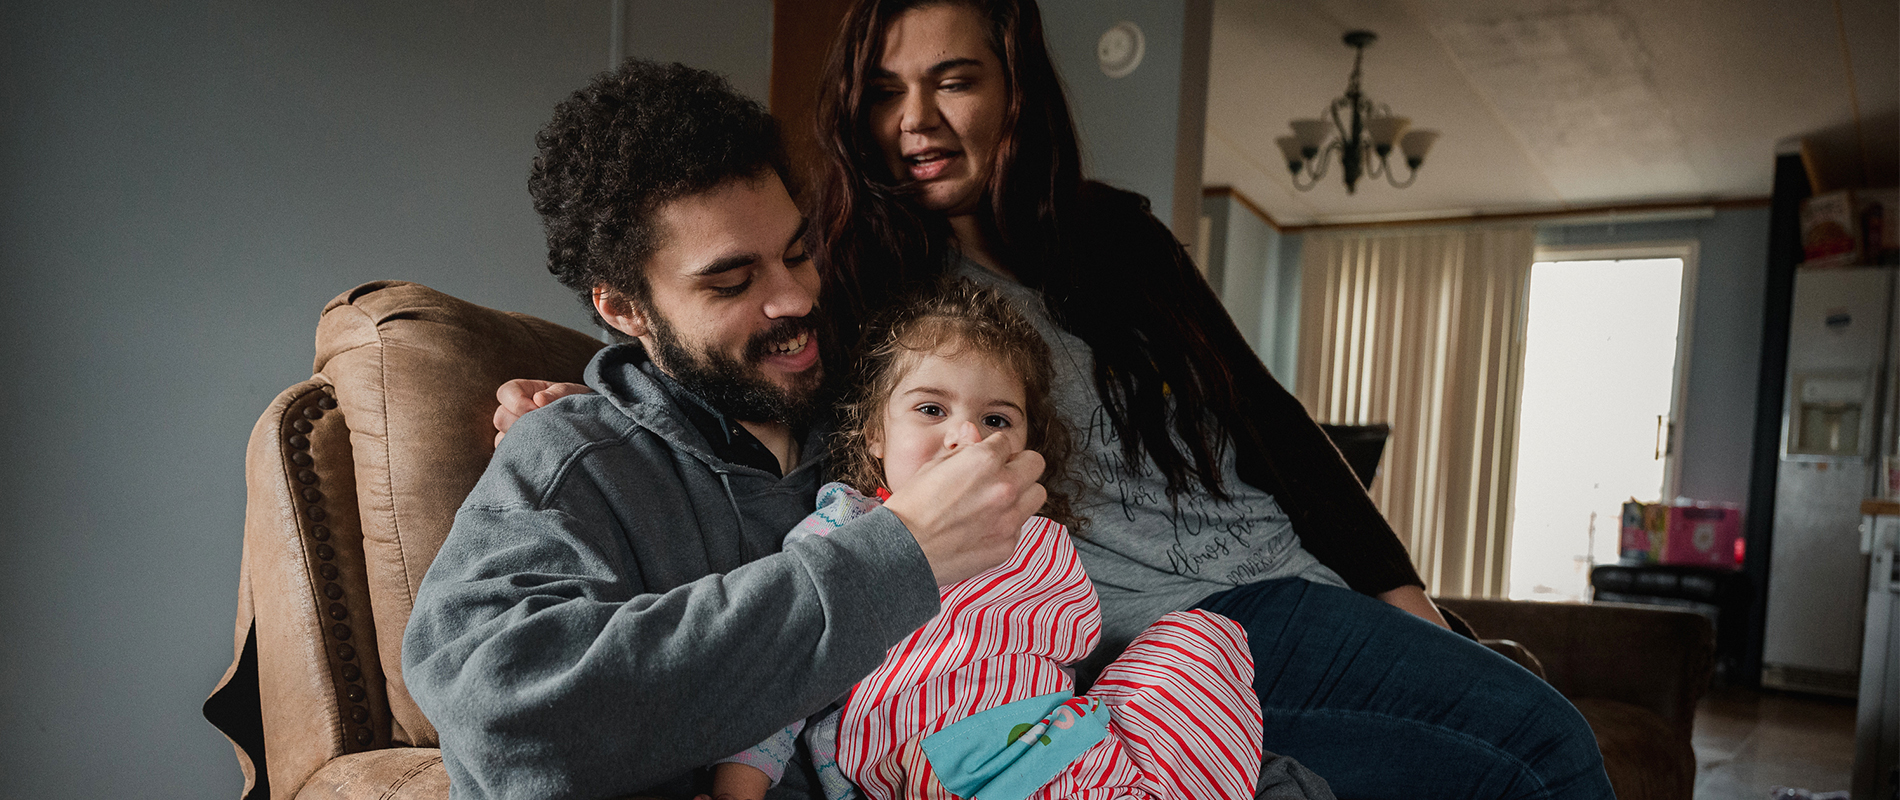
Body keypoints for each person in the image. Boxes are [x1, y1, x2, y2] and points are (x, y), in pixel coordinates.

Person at [498, 2, 1614, 797]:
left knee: (1525, 744)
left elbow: (1268, 423)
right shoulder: (859, 273)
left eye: (954, 79)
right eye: (885, 89)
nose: (915, 118)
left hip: (1285, 577)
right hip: (1165, 632)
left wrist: (1405, 599)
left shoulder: (1114, 236)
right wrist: (598, 384)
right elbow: (751, 363)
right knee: (1544, 749)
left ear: (1013, 86)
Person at [402, 60, 1051, 800]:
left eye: (798, 253)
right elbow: (502, 716)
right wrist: (893, 558)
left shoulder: (878, 415)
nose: (795, 298)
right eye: (732, 282)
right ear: (626, 310)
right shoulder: (570, 456)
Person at [707, 281, 1262, 800]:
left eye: (997, 420)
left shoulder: (1037, 538)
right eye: (931, 409)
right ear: (875, 432)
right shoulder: (842, 530)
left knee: (1202, 636)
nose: (968, 438)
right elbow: (781, 672)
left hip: (1074, 748)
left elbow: (1067, 659)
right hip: (948, 764)